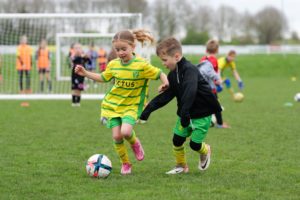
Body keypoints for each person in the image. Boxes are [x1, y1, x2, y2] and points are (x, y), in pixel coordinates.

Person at [75, 29, 169, 175]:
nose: (120, 52)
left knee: (126, 132)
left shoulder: (141, 65)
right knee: (116, 136)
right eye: (117, 49)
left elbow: (160, 73)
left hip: (132, 105)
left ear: (133, 47)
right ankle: (125, 163)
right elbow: (103, 77)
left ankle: (135, 143)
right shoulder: (114, 64)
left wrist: (165, 84)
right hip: (113, 105)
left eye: (124, 49)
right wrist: (85, 73)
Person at [139, 37, 222, 174]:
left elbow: (190, 92)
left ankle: (206, 150)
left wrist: (184, 113)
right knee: (177, 140)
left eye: (165, 60)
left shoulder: (190, 70)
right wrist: (147, 111)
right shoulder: (173, 74)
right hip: (186, 113)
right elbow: (167, 95)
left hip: (201, 114)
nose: (163, 64)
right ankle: (181, 166)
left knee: (194, 144)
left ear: (176, 56)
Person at [199, 39, 230, 128]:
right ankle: (220, 124)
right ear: (217, 50)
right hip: (210, 88)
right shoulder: (214, 60)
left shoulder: (202, 59)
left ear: (206, 50)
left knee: (204, 105)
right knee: (216, 106)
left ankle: (202, 122)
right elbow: (213, 75)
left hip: (201, 87)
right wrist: (219, 83)